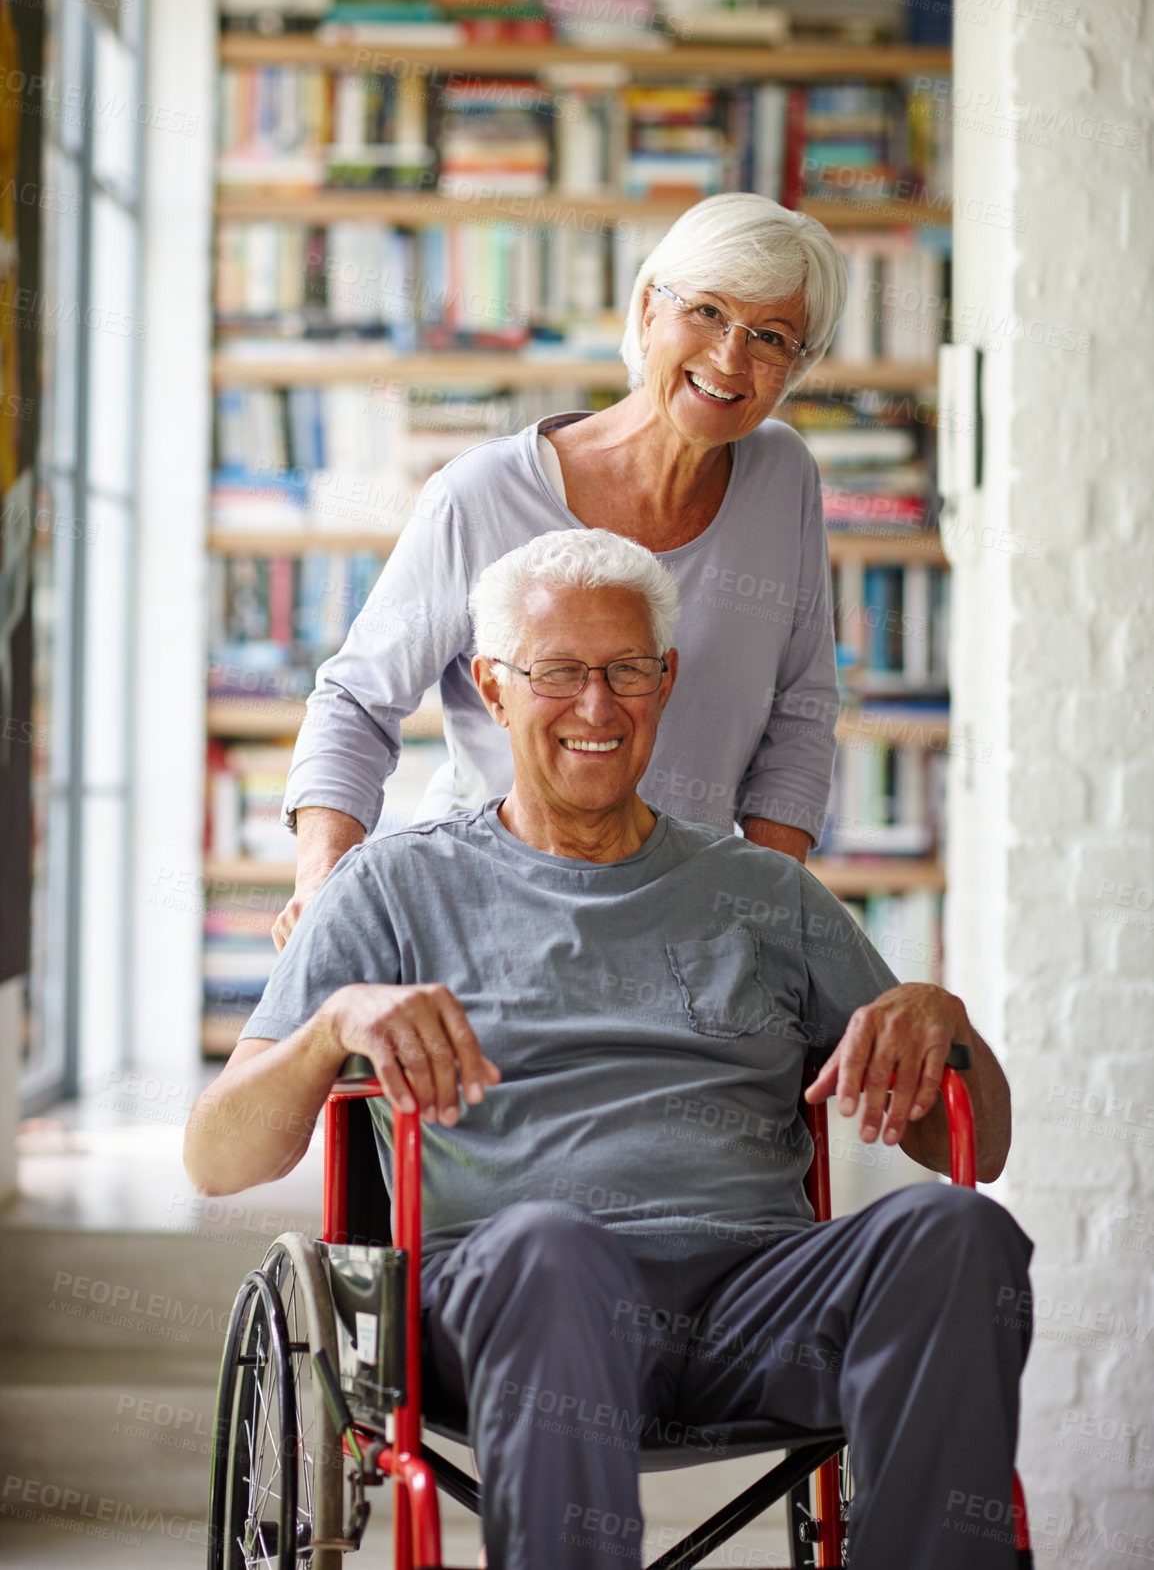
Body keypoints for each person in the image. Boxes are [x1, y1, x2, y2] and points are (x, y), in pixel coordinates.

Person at [187, 529, 1032, 1570]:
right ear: (492, 689)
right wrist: (329, 1027)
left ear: (665, 679)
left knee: (956, 1232)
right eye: (557, 673)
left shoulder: (765, 895)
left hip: (751, 1306)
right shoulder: (391, 889)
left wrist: (940, 1017)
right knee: (555, 1249)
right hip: (519, 1296)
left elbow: (976, 1148)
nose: (598, 706)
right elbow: (218, 1156)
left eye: (627, 669)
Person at [273, 192, 850, 948]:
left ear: (795, 369)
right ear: (649, 309)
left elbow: (801, 714)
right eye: (706, 311)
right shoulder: (481, 495)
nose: (729, 358)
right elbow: (355, 701)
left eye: (770, 336)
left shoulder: (784, 479)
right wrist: (324, 886)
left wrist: (767, 912)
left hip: (690, 928)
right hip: (486, 916)